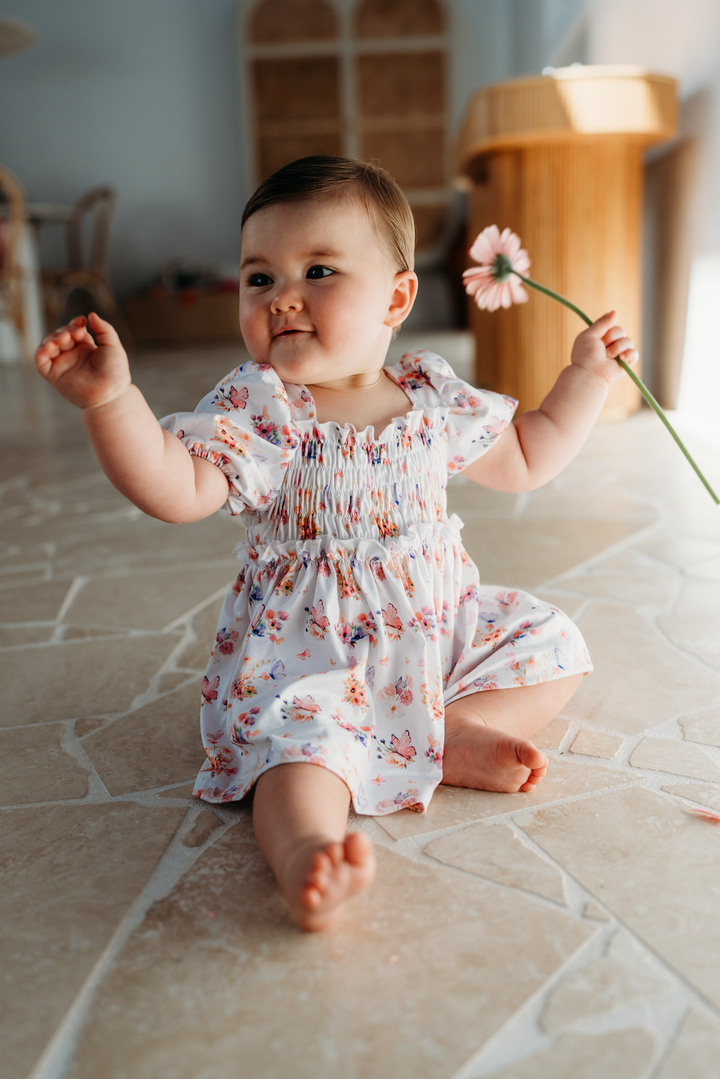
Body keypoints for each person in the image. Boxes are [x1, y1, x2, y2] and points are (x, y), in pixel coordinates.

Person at [35, 156, 638, 932]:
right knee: (296, 752)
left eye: (318, 269)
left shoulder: (430, 395)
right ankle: (308, 856)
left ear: (396, 297)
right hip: (310, 657)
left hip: (436, 632)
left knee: (553, 642)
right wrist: (112, 402)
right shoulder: (261, 408)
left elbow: (527, 455)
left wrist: (585, 376)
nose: (282, 294)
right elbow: (177, 489)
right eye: (259, 278)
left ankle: (444, 729)